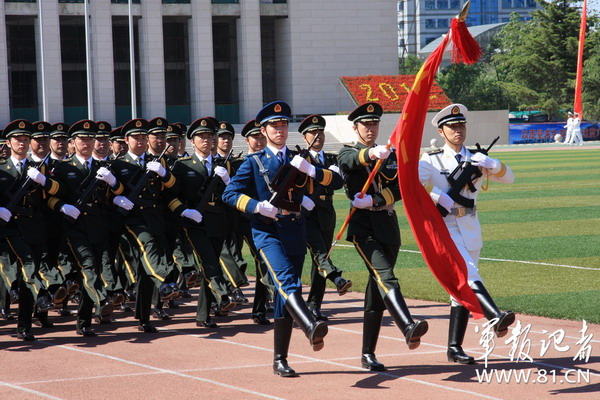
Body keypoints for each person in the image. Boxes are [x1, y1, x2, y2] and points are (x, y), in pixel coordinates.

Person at [223, 101, 337, 377]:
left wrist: (311, 170)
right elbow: (230, 194)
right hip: (267, 231)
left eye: (284, 124)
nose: (280, 130)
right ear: (263, 131)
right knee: (287, 281)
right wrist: (256, 206)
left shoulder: (300, 159)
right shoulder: (254, 162)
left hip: (295, 229)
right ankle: (310, 325)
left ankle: (280, 359)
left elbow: (336, 182)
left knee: (285, 294)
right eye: (274, 126)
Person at [419, 103, 516, 364]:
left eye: (461, 125)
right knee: (468, 274)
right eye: (452, 127)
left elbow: (510, 178)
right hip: (447, 228)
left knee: (459, 290)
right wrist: (435, 196)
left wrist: (492, 163)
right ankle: (495, 316)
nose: (458, 130)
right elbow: (409, 187)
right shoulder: (431, 160)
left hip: (471, 226)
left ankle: (454, 347)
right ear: (441, 131)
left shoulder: (476, 158)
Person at [337, 102, 428, 372]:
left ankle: (368, 354)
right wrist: (370, 154)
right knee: (386, 276)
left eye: (374, 123)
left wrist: (376, 199)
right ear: (355, 128)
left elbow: (401, 188)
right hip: (363, 228)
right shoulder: (347, 151)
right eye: (366, 124)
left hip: (387, 225)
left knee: (377, 291)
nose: (371, 128)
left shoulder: (390, 155)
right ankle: (407, 326)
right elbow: (350, 161)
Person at [48, 120, 122, 336]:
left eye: (91, 139)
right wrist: (63, 207)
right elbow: (50, 198)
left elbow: (116, 194)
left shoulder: (103, 168)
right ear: (73, 142)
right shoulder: (63, 168)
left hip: (99, 226)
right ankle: (102, 300)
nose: (87, 143)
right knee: (88, 266)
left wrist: (113, 183)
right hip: (75, 227)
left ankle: (84, 322)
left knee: (98, 269)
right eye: (82, 139)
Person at [109, 118, 181, 333]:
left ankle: (143, 318)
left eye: (143, 137)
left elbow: (174, 189)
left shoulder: (157, 161)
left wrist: (164, 174)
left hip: (155, 218)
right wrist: (116, 197)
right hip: (132, 220)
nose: (140, 141)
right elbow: (108, 193)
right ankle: (166, 281)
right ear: (126, 140)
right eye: (136, 138)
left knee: (144, 272)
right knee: (148, 247)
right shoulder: (118, 164)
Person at [168, 117, 237, 328]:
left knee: (211, 263)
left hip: (218, 221)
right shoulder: (183, 165)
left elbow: (234, 194)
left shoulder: (223, 164)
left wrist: (227, 180)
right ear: (192, 141)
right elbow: (171, 195)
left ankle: (203, 315)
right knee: (209, 262)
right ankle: (223, 295)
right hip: (195, 223)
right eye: (201, 136)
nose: (206, 140)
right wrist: (185, 211)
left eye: (209, 136)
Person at [0, 119, 62, 340]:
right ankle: (43, 293)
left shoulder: (38, 168)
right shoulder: (1, 168)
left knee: (29, 274)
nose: (22, 143)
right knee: (28, 265)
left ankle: (24, 326)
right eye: (18, 139)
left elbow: (57, 190)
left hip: (33, 226)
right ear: (8, 143)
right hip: (9, 228)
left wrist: (43, 180)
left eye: (26, 139)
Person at [298, 114, 351, 321]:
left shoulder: (331, 158)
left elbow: (338, 183)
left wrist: (327, 176)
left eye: (320, 132)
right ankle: (337, 278)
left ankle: (314, 305)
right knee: (320, 253)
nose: (317, 136)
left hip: (327, 212)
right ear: (304, 137)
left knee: (319, 260)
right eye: (313, 132)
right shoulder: (300, 158)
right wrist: (302, 198)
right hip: (307, 213)